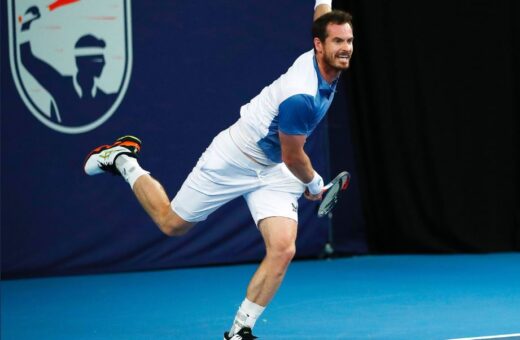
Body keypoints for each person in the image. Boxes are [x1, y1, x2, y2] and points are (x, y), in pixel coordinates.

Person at [84, 1, 353, 338]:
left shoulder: (325, 58)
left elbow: (322, 15)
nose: (346, 49)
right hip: (235, 158)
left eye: (349, 41)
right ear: (319, 45)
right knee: (172, 224)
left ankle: (240, 330)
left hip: (272, 169)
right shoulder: (302, 95)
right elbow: (294, 157)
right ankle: (123, 160)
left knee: (283, 249)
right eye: (338, 42)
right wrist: (314, 185)